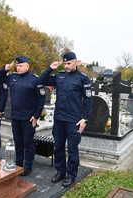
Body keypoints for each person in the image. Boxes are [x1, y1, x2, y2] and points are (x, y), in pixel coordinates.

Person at [39, 51, 92, 188]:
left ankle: (71, 175)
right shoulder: (59, 75)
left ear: (76, 62)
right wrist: (51, 68)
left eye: (69, 63)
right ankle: (60, 172)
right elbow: (41, 81)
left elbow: (88, 100)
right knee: (58, 147)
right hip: (59, 119)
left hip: (73, 120)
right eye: (65, 64)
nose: (67, 66)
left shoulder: (82, 78)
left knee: (73, 149)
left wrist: (84, 119)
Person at [0, 56, 45, 176]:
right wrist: (5, 70)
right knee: (18, 141)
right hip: (16, 116)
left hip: (28, 118)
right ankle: (19, 164)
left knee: (28, 143)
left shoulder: (35, 79)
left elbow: (41, 99)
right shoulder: (13, 77)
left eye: (21, 66)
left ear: (27, 66)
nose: (18, 68)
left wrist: (36, 116)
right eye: (17, 66)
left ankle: (28, 166)